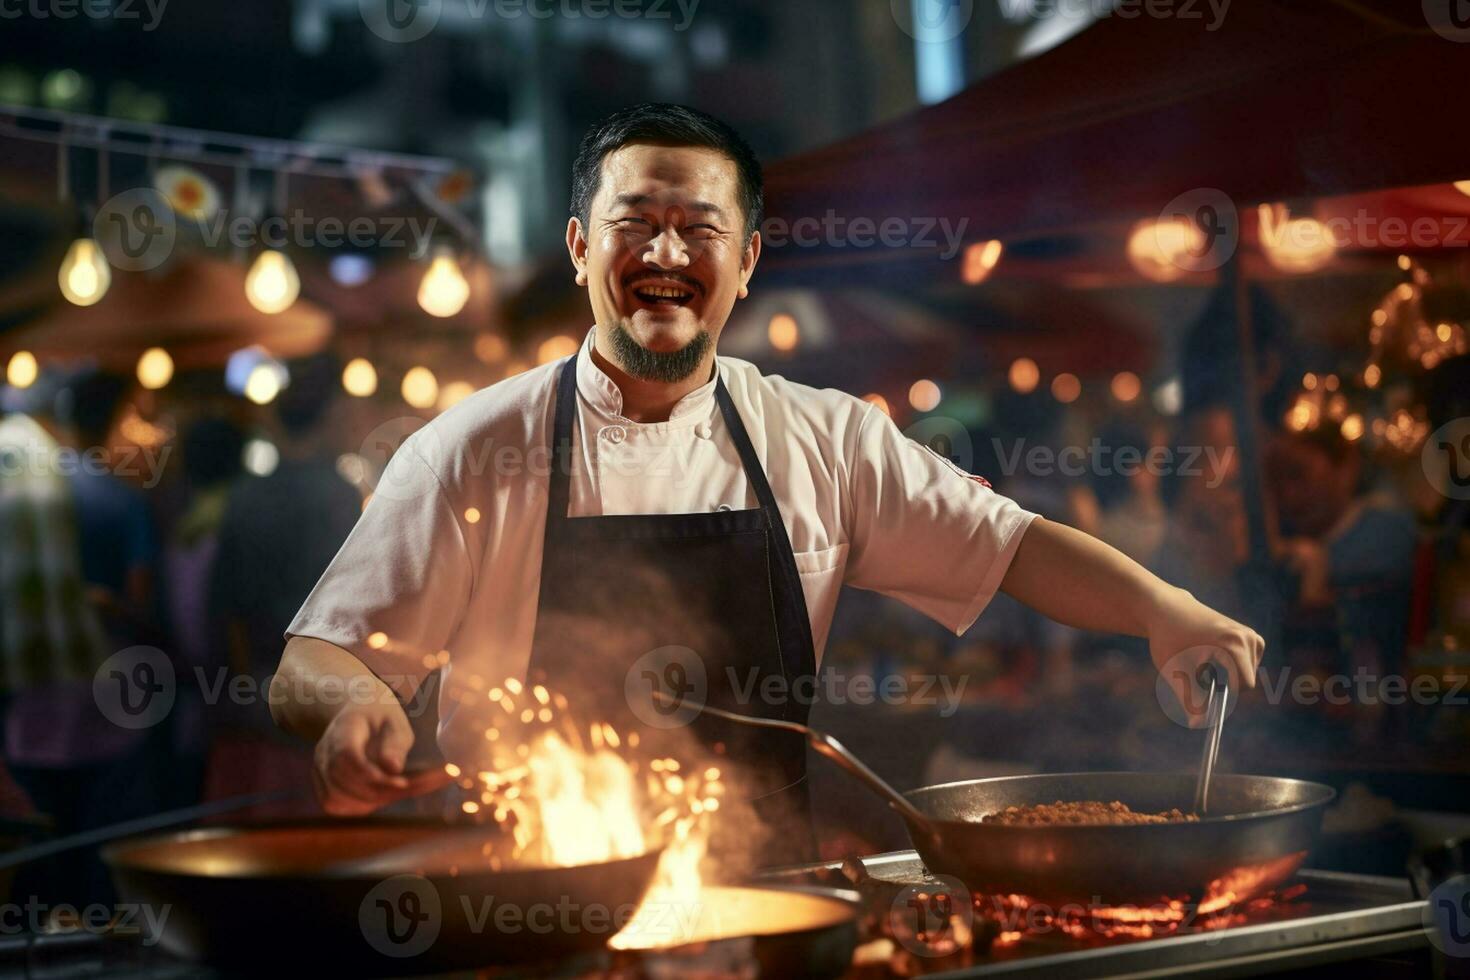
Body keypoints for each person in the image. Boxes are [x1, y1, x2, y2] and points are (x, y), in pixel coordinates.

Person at [272, 104, 1264, 865]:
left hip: (765, 902)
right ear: (582, 249)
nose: (666, 254)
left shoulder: (821, 437)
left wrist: (1163, 607)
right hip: (532, 903)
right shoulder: (471, 449)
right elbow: (313, 657)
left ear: (744, 262)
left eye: (698, 227)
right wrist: (357, 706)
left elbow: (1006, 544)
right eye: (634, 224)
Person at [207, 353, 361, 815]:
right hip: (322, 683)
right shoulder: (337, 494)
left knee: (264, 829)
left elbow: (225, 603)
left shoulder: (244, 494)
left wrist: (243, 689)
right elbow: (351, 602)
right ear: (330, 416)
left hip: (255, 682)